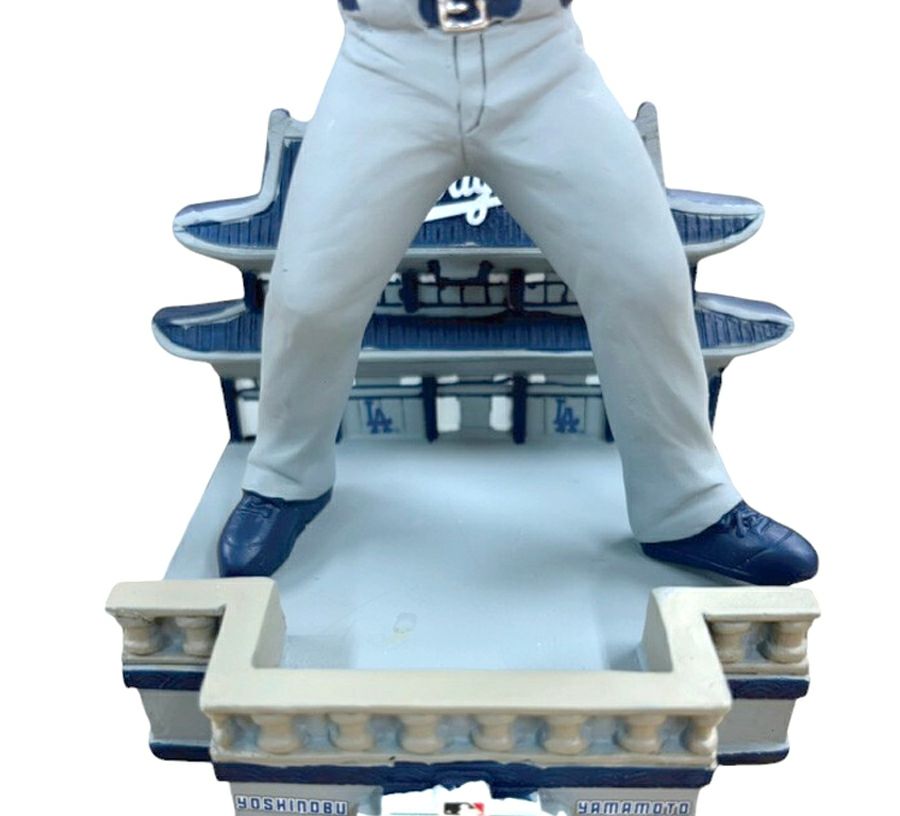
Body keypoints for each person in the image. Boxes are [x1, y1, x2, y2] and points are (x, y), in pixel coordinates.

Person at [217, 0, 818, 586]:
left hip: (537, 55)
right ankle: (286, 479)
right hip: (386, 59)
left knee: (644, 276)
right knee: (309, 292)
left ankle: (687, 507)